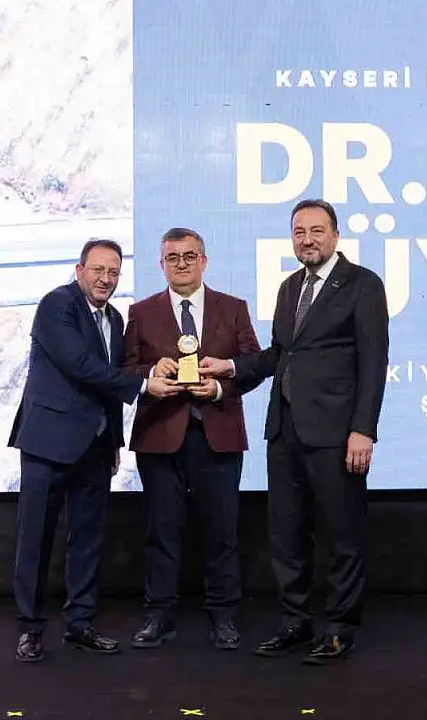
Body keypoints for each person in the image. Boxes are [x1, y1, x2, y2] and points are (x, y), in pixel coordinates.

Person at [198, 199, 389, 665]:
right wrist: (231, 367)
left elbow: (373, 362)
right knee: (285, 534)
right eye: (299, 232)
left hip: (336, 433)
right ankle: (295, 622)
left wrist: (363, 430)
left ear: (336, 236)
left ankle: (339, 629)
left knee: (342, 534)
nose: (307, 239)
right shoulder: (289, 288)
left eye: (317, 231)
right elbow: (280, 355)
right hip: (284, 431)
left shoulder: (362, 284)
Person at [8, 238, 181, 663]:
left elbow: (110, 379)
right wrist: (144, 385)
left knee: (87, 541)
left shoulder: (115, 318)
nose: (106, 279)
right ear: (79, 270)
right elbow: (80, 366)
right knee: (36, 540)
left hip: (96, 447)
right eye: (98, 270)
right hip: (48, 444)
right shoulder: (57, 305)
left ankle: (80, 624)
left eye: (113, 272)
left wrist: (115, 440)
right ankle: (30, 629)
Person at [121, 227, 263, 651]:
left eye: (189, 256)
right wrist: (151, 373)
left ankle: (223, 615)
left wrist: (219, 387)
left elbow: (254, 364)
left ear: (204, 261)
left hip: (217, 433)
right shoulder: (141, 312)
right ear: (161, 264)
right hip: (159, 435)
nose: (181, 264)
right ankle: (159, 615)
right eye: (172, 257)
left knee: (221, 531)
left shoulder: (233, 308)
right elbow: (124, 371)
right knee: (161, 530)